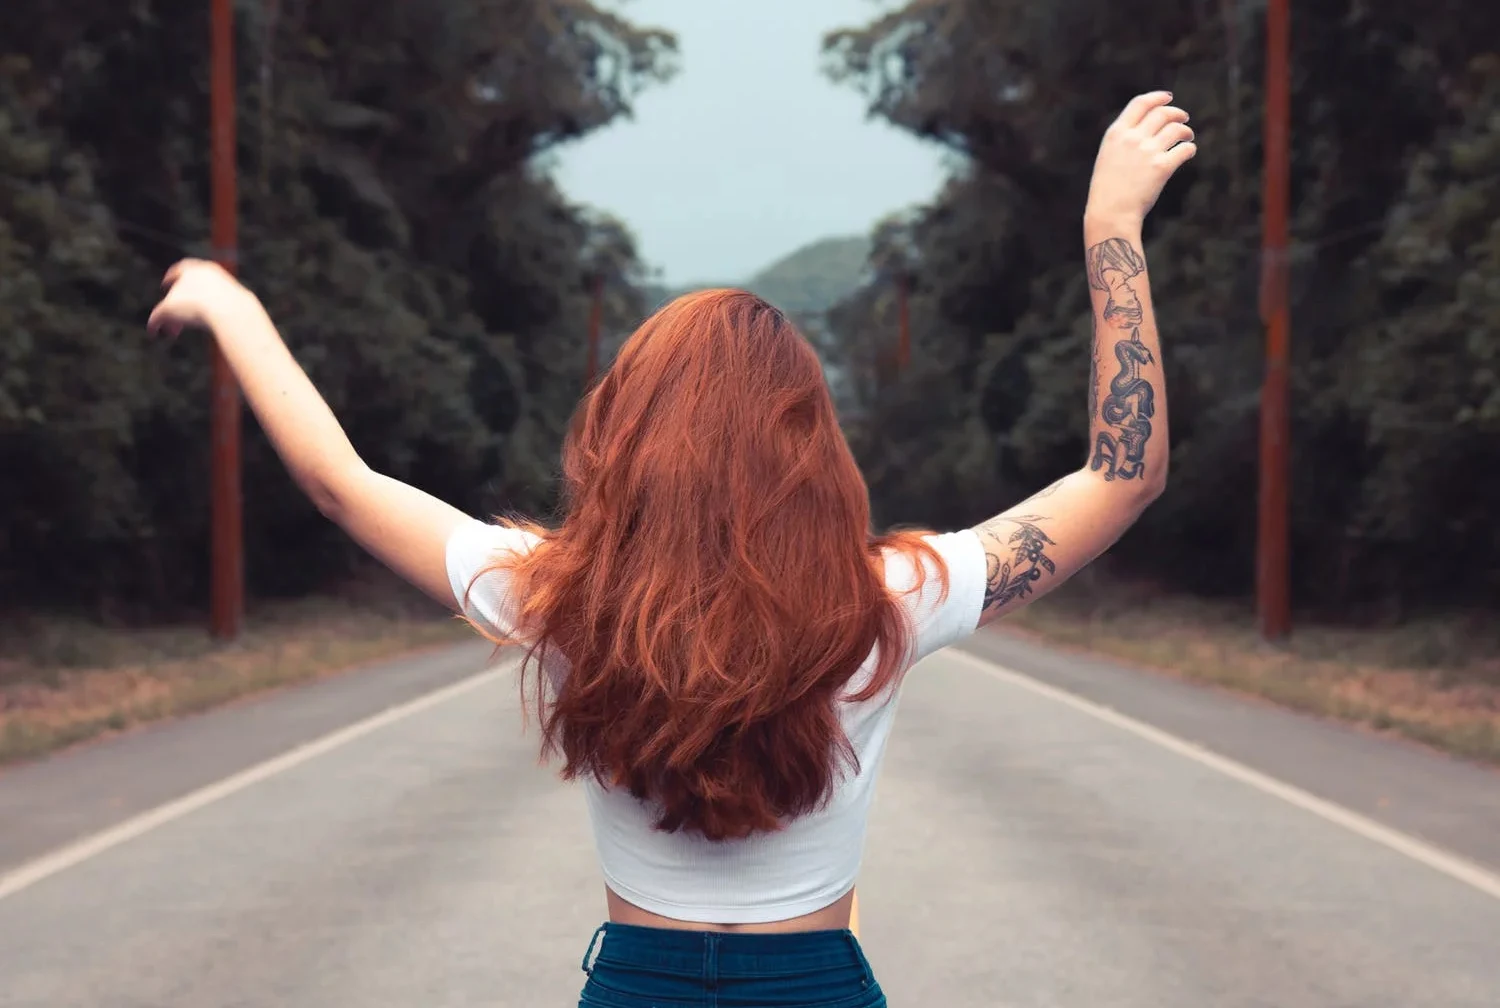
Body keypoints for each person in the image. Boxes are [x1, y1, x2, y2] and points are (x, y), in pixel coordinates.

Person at [148, 91, 1195, 1007]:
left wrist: (232, 308)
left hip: (633, 991)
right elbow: (1123, 474)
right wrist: (1113, 223)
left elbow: (341, 483)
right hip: (817, 988)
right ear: (814, 451)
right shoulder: (887, 600)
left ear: (628, 440)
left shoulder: (560, 597)